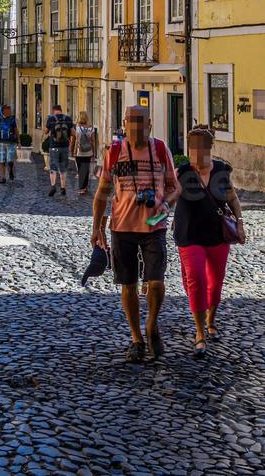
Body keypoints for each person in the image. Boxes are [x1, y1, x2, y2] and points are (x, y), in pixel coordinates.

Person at [91, 105, 180, 364]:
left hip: (154, 224)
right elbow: (102, 193)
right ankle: (136, 339)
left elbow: (176, 187)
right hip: (122, 226)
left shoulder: (161, 149)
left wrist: (166, 205)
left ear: (150, 123)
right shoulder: (114, 152)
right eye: (132, 121)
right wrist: (96, 229)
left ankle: (151, 324)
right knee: (128, 284)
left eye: (141, 122)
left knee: (156, 281)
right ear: (124, 123)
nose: (137, 127)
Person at [174, 126, 244, 360]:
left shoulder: (221, 170)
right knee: (196, 279)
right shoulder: (182, 172)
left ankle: (211, 319)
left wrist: (240, 224)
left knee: (215, 284)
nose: (195, 154)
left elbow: (232, 197)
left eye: (200, 149)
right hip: (189, 235)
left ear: (209, 149)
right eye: (192, 148)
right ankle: (199, 332)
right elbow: (170, 194)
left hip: (217, 235)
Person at [44, 104, 74, 197]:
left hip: (54, 147)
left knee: (53, 167)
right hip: (65, 146)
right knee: (63, 168)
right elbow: (73, 132)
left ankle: (53, 186)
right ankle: (63, 187)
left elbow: (46, 131)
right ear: (61, 110)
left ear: (53, 111)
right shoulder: (68, 119)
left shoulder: (51, 119)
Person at [73, 112, 99, 197]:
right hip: (88, 152)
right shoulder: (91, 129)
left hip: (79, 152)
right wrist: (94, 152)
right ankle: (85, 187)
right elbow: (93, 141)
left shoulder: (77, 128)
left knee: (80, 170)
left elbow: (77, 141)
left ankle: (81, 188)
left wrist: (74, 151)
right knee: (86, 169)